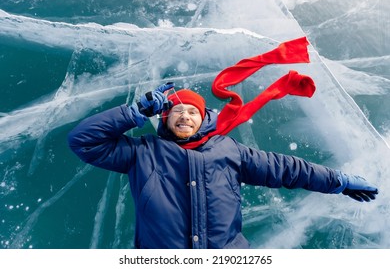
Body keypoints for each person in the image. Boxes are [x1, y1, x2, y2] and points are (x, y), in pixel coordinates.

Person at [68, 82, 378, 249]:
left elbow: (288, 169)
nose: (185, 116)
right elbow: (82, 141)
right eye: (177, 111)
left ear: (203, 118)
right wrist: (132, 113)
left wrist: (339, 181)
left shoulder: (229, 151)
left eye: (192, 112)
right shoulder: (142, 152)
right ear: (165, 119)